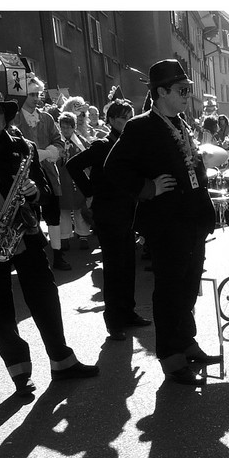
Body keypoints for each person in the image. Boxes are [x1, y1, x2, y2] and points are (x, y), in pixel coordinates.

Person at [0, 86, 99, 397]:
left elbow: (46, 193)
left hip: (25, 236)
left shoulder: (24, 147)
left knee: (46, 300)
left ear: (6, 116)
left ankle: (62, 360)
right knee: (0, 307)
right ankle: (20, 372)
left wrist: (35, 192)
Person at [105, 59, 222, 386]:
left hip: (193, 221)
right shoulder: (140, 126)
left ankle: (187, 343)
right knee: (170, 293)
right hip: (167, 225)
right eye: (182, 90)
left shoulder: (180, 122)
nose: (188, 95)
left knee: (187, 289)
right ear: (160, 92)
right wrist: (147, 188)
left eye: (188, 89)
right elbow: (114, 170)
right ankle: (171, 358)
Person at [67, 98, 150, 341]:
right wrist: (91, 192)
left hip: (127, 211)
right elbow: (73, 166)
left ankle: (128, 312)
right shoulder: (103, 144)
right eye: (123, 117)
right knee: (114, 267)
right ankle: (114, 321)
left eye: (130, 116)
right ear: (112, 120)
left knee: (128, 264)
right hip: (108, 212)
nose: (128, 121)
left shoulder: (132, 143)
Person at [11, 75, 70, 271]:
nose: (36, 98)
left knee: (53, 215)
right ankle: (34, 258)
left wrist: (51, 152)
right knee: (29, 216)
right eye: (32, 94)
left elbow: (59, 141)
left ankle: (58, 255)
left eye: (38, 94)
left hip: (49, 174)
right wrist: (39, 153)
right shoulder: (15, 119)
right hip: (24, 175)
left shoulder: (46, 117)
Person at [56, 112, 94, 250]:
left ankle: (83, 234)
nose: (66, 130)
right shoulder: (56, 142)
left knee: (79, 207)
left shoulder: (81, 141)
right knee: (63, 210)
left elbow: (89, 155)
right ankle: (64, 236)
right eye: (63, 127)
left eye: (68, 127)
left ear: (74, 127)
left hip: (77, 180)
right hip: (62, 180)